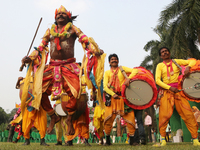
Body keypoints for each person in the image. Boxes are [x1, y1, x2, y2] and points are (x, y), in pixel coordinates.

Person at [21, 5, 104, 136]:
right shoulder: (50, 31)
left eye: (63, 14)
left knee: (76, 93)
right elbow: (41, 47)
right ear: (55, 17)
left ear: (69, 17)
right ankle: (53, 116)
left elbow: (85, 40)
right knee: (39, 93)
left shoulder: (73, 29)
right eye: (58, 14)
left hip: (69, 66)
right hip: (52, 67)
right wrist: (30, 57)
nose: (60, 15)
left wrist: (95, 49)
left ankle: (69, 118)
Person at [154, 47, 200, 146]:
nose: (165, 53)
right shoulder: (160, 65)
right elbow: (157, 80)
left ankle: (195, 139)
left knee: (188, 114)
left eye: (166, 51)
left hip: (179, 91)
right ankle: (163, 140)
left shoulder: (176, 61)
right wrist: (169, 88)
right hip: (166, 92)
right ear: (160, 56)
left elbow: (192, 62)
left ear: (169, 53)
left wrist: (188, 67)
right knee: (164, 116)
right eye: (162, 52)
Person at [103, 53, 138, 146]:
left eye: (115, 59)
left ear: (118, 61)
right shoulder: (107, 73)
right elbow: (105, 87)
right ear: (109, 62)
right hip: (112, 99)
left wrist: (128, 79)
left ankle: (132, 140)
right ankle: (107, 141)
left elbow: (135, 71)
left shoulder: (122, 69)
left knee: (130, 118)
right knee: (108, 119)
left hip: (123, 98)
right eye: (112, 59)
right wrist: (112, 94)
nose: (114, 60)